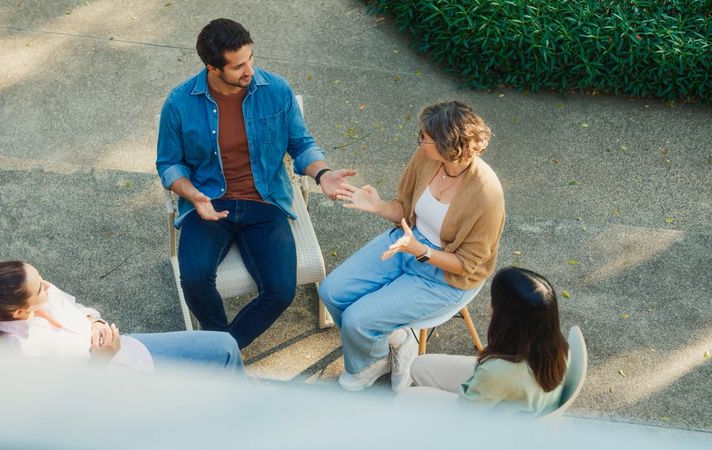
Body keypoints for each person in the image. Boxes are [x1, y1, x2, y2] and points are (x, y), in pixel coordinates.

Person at [155, 18, 354, 349]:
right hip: (208, 201)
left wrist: (322, 173)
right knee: (193, 279)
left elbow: (301, 145)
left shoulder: (275, 91)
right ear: (212, 68)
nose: (249, 71)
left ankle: (221, 351)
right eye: (238, 66)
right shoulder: (179, 103)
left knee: (280, 290)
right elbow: (168, 163)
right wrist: (193, 195)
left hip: (264, 200)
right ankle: (219, 348)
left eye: (250, 59)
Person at [320, 100, 505, 392]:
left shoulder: (487, 194)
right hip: (407, 241)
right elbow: (405, 208)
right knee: (331, 291)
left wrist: (420, 251)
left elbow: (469, 265)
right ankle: (386, 349)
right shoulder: (426, 158)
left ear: (448, 146)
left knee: (357, 319)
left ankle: (371, 360)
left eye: (425, 138)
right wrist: (378, 206)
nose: (419, 142)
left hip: (447, 276)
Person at [0, 261, 243, 375]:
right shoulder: (22, 355)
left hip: (132, 351)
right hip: (118, 393)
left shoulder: (38, 295)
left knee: (225, 346)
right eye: (40, 286)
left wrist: (95, 323)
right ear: (19, 312)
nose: (48, 285)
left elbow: (79, 308)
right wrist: (100, 361)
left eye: (40, 277)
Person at [407, 267, 569, 416]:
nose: (490, 305)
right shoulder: (557, 346)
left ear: (508, 318)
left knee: (407, 398)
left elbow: (465, 411)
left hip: (488, 418)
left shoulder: (497, 370)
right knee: (419, 366)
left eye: (495, 301)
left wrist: (473, 386)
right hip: (511, 390)